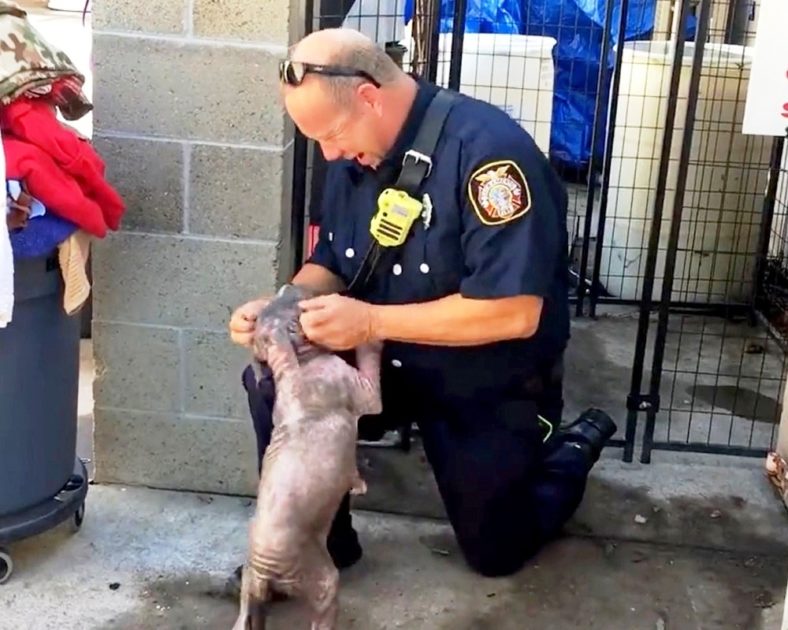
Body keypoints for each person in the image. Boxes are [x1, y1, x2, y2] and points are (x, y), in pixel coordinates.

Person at [227, 26, 617, 588]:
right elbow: (334, 258)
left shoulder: (490, 158)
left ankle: (573, 447)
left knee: (496, 552)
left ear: (368, 95)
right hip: (382, 363)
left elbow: (514, 313)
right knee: (271, 377)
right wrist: (282, 307)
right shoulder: (353, 150)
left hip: (485, 375)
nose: (329, 153)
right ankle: (317, 547)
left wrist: (370, 321)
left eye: (332, 134)